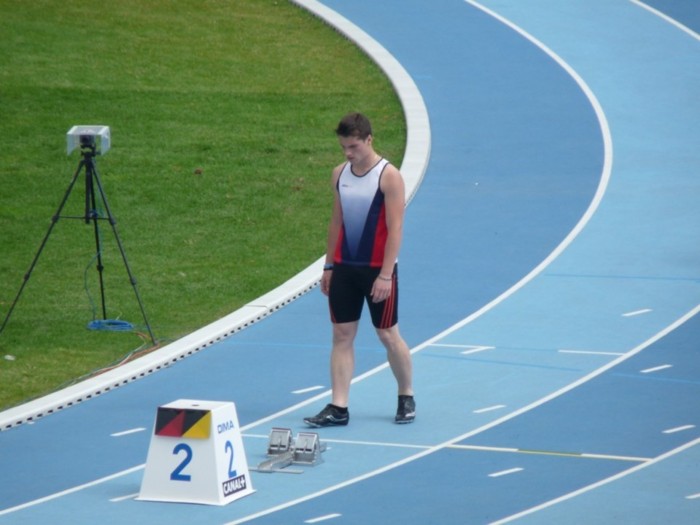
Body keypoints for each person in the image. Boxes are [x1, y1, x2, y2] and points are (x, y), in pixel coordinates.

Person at [304, 112, 415, 427]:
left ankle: (406, 394)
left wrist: (384, 274)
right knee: (341, 334)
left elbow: (396, 229)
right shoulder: (340, 174)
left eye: (353, 147)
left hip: (376, 270)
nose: (348, 153)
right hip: (344, 269)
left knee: (387, 334)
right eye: (343, 147)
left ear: (369, 140)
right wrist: (328, 266)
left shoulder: (388, 176)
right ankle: (339, 406)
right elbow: (336, 222)